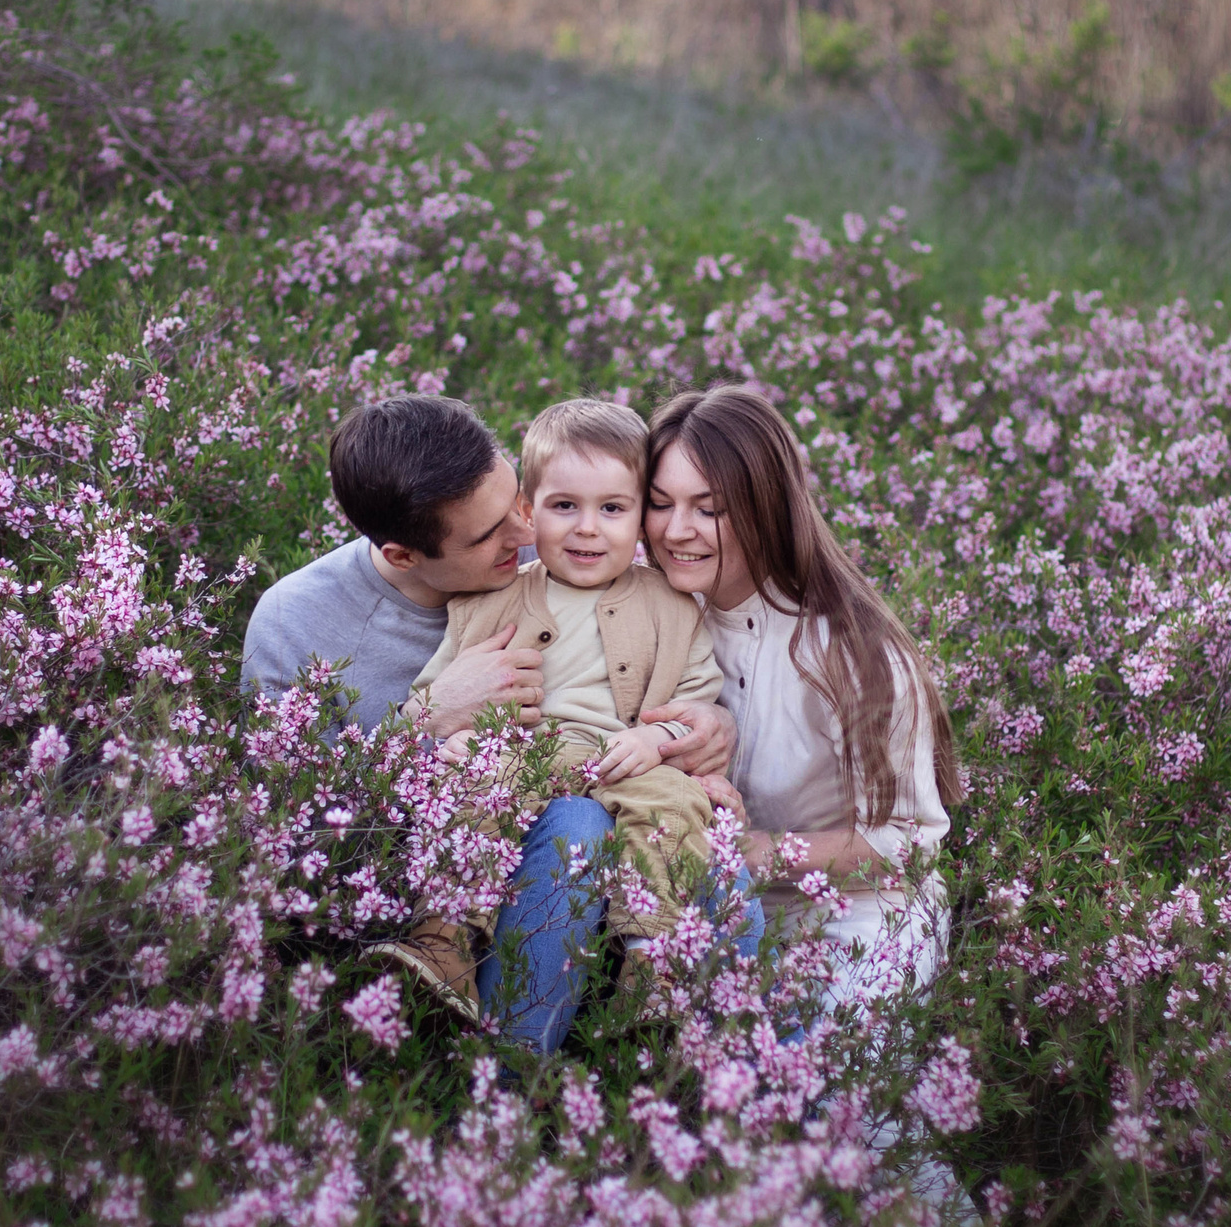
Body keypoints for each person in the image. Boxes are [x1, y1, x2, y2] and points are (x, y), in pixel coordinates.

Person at [239, 392, 734, 1048]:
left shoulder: (564, 557)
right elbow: (296, 842)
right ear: (404, 554)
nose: (529, 535)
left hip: (598, 841)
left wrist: (700, 726)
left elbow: (676, 675)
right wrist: (430, 718)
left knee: (620, 827)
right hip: (411, 881)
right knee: (573, 824)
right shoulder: (296, 625)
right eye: (490, 534)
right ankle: (484, 1052)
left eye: (519, 505)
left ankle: (603, 1010)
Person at [397, 398, 754, 999]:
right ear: (528, 511)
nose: (588, 527)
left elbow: (696, 703)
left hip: (623, 763)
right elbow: (434, 697)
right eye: (565, 506)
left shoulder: (673, 606)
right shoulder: (489, 600)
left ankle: (652, 954)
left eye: (613, 508)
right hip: (523, 755)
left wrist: (654, 739)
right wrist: (449, 734)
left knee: (674, 805)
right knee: (473, 788)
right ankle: (446, 935)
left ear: (642, 517)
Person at [640, 385, 960, 1018]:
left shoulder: (852, 652)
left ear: (769, 508)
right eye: (659, 503)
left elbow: (910, 843)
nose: (677, 531)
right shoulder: (650, 613)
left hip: (858, 924)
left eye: (710, 509)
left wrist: (748, 854)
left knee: (828, 1111)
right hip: (706, 911)